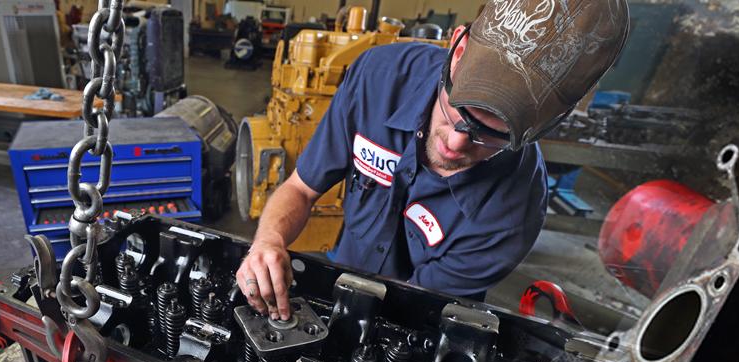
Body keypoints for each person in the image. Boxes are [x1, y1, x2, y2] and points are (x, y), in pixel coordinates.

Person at [237, 0, 629, 320]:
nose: (457, 143)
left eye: (492, 135)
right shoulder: (378, 78)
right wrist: (268, 239)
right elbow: (301, 189)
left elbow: (418, 309)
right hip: (343, 264)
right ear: (457, 50)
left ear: (549, 125)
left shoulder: (513, 211)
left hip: (415, 310)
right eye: (457, 109)